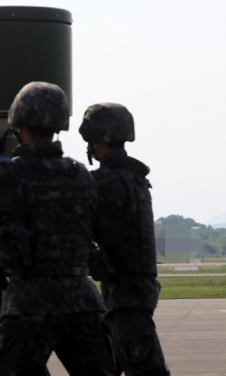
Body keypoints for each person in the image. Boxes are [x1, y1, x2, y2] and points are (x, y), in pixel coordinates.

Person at [0, 82, 115, 376]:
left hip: (30, 301)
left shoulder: (8, 176)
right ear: (59, 125)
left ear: (18, 123)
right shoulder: (81, 175)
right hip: (83, 300)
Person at [79, 103, 170, 376]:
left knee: (146, 369)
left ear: (93, 139)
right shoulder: (136, 178)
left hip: (125, 296)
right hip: (134, 291)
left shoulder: (102, 181)